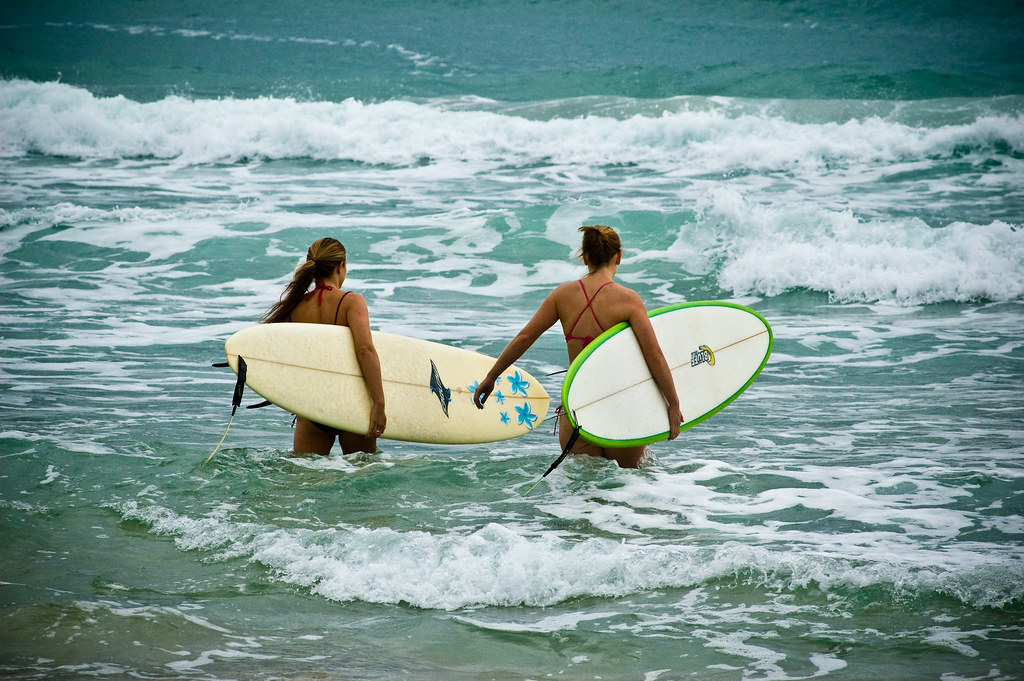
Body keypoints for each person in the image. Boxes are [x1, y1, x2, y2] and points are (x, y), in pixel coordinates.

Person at [473, 225, 683, 468]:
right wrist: (673, 403)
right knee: (627, 492)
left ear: (585, 257)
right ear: (619, 256)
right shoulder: (628, 300)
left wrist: (492, 377)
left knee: (584, 494)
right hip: (621, 407)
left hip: (577, 409)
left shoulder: (562, 295)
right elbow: (653, 355)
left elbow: (525, 337)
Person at [261, 237, 387, 456]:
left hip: (312, 407)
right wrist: (379, 404)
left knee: (307, 480)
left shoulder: (295, 305)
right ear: (341, 266)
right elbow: (365, 351)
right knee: (362, 478)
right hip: (352, 404)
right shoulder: (351, 301)